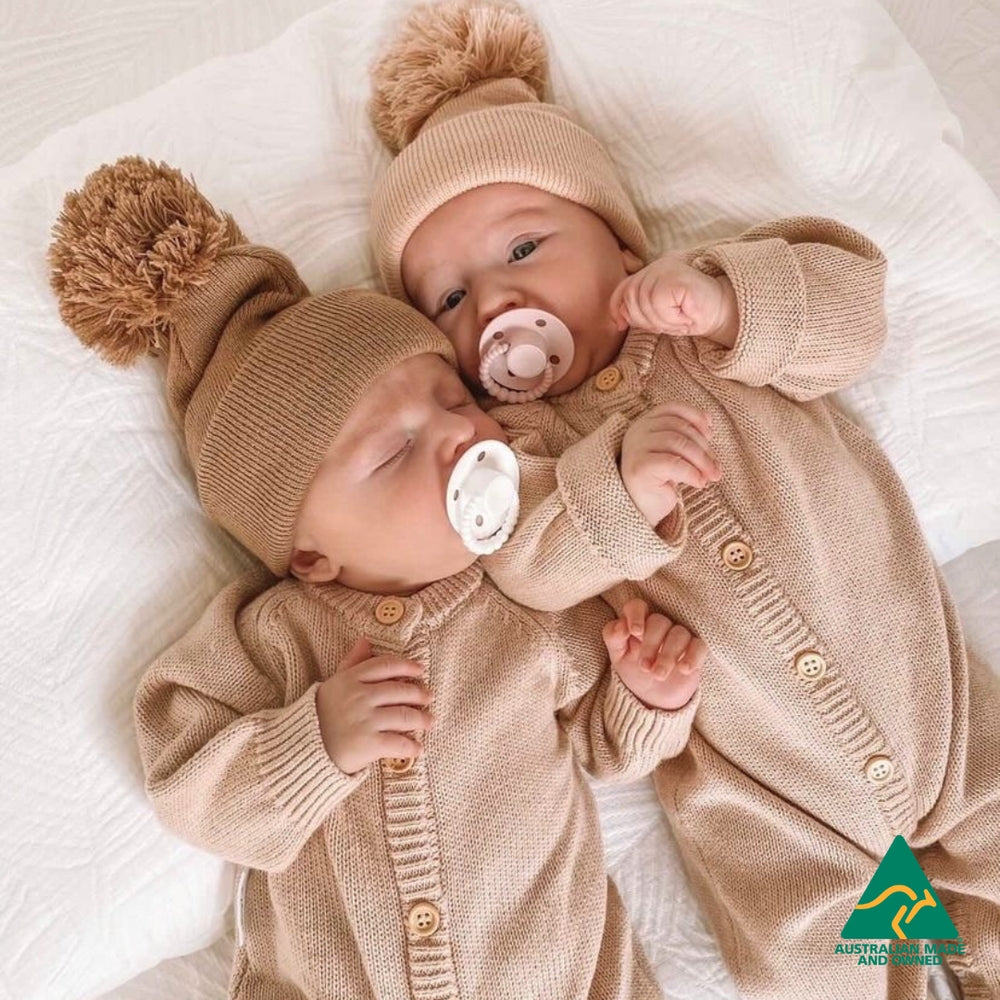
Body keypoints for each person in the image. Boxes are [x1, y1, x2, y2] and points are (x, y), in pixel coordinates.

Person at [366, 3, 1000, 998]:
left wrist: (729, 295)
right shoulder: (513, 455)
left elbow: (850, 311)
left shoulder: (707, 327)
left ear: (620, 247)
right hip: (767, 810)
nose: (491, 301)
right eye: (447, 298)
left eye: (523, 249)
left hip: (939, 714)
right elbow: (529, 570)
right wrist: (645, 682)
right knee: (823, 969)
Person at [47, 155, 711, 999]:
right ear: (311, 555)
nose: (457, 439)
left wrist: (649, 695)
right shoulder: (274, 634)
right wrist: (314, 744)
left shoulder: (527, 601)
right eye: (395, 450)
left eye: (459, 401)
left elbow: (606, 746)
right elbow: (189, 787)